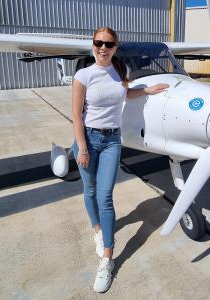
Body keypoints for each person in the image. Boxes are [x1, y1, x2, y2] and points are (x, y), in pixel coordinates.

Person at [72, 27, 169, 293]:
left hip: (112, 140)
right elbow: (76, 115)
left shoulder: (120, 70)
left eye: (109, 43)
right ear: (93, 45)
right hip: (88, 140)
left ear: (116, 46)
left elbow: (125, 93)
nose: (103, 47)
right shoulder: (83, 75)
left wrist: (148, 90)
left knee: (104, 196)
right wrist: (81, 147)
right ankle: (97, 229)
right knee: (89, 190)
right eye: (98, 42)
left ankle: (107, 259)